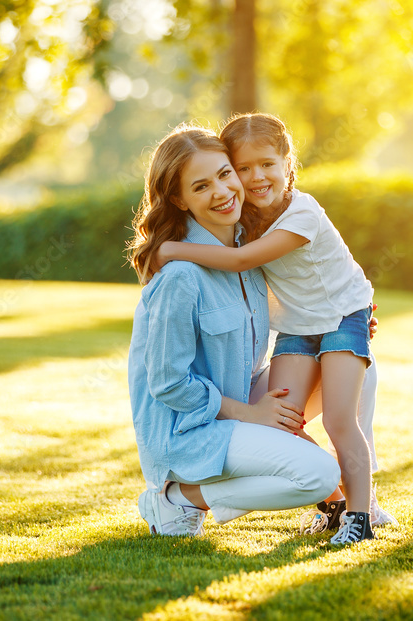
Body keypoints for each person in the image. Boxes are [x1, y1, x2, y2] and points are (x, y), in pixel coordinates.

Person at [155, 113, 388, 544]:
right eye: (242, 168)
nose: (255, 177)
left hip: (340, 318)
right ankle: (335, 503)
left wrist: (170, 249)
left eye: (266, 164)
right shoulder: (244, 219)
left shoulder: (303, 212)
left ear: (287, 162)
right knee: (283, 420)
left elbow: (244, 261)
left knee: (340, 419)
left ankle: (361, 517)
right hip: (299, 329)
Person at [126, 124, 342, 537]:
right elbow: (168, 383)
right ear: (179, 200)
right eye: (201, 186)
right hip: (189, 432)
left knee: (348, 367)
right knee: (316, 475)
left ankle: (340, 497)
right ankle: (178, 499)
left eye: (226, 174)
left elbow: (300, 299)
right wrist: (253, 415)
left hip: (240, 403)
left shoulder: (249, 249)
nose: (222, 192)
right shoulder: (179, 277)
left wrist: (348, 315)